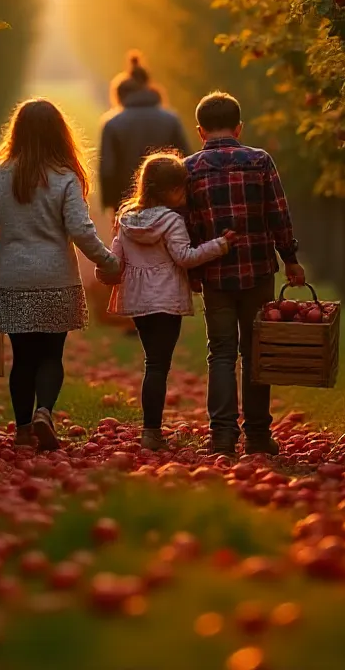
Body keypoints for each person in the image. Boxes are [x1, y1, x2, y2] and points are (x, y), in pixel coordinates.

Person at [0, 98, 118, 452]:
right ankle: (45, 410)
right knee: (51, 355)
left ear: (18, 132)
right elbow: (80, 229)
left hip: (14, 279)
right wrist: (106, 261)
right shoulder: (66, 178)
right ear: (60, 134)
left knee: (23, 358)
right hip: (56, 278)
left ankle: (24, 429)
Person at [184, 91, 304, 458]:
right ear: (239, 127)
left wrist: (192, 267)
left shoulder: (189, 169)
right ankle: (257, 435)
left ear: (200, 130)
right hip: (258, 271)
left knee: (220, 352)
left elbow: (187, 223)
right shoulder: (260, 161)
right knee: (257, 351)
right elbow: (278, 213)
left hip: (215, 274)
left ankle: (222, 435)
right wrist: (291, 258)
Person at [95, 152, 233, 450]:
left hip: (139, 300)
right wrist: (220, 245)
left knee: (152, 362)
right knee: (159, 365)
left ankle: (150, 431)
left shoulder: (126, 218)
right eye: (183, 189)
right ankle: (152, 432)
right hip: (166, 299)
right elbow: (185, 258)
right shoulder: (172, 220)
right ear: (172, 191)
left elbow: (115, 262)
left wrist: (103, 273)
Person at [99, 52, 190, 217]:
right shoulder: (171, 120)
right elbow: (185, 159)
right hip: (170, 203)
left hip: (127, 205)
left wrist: (110, 204)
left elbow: (108, 169)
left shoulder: (112, 124)